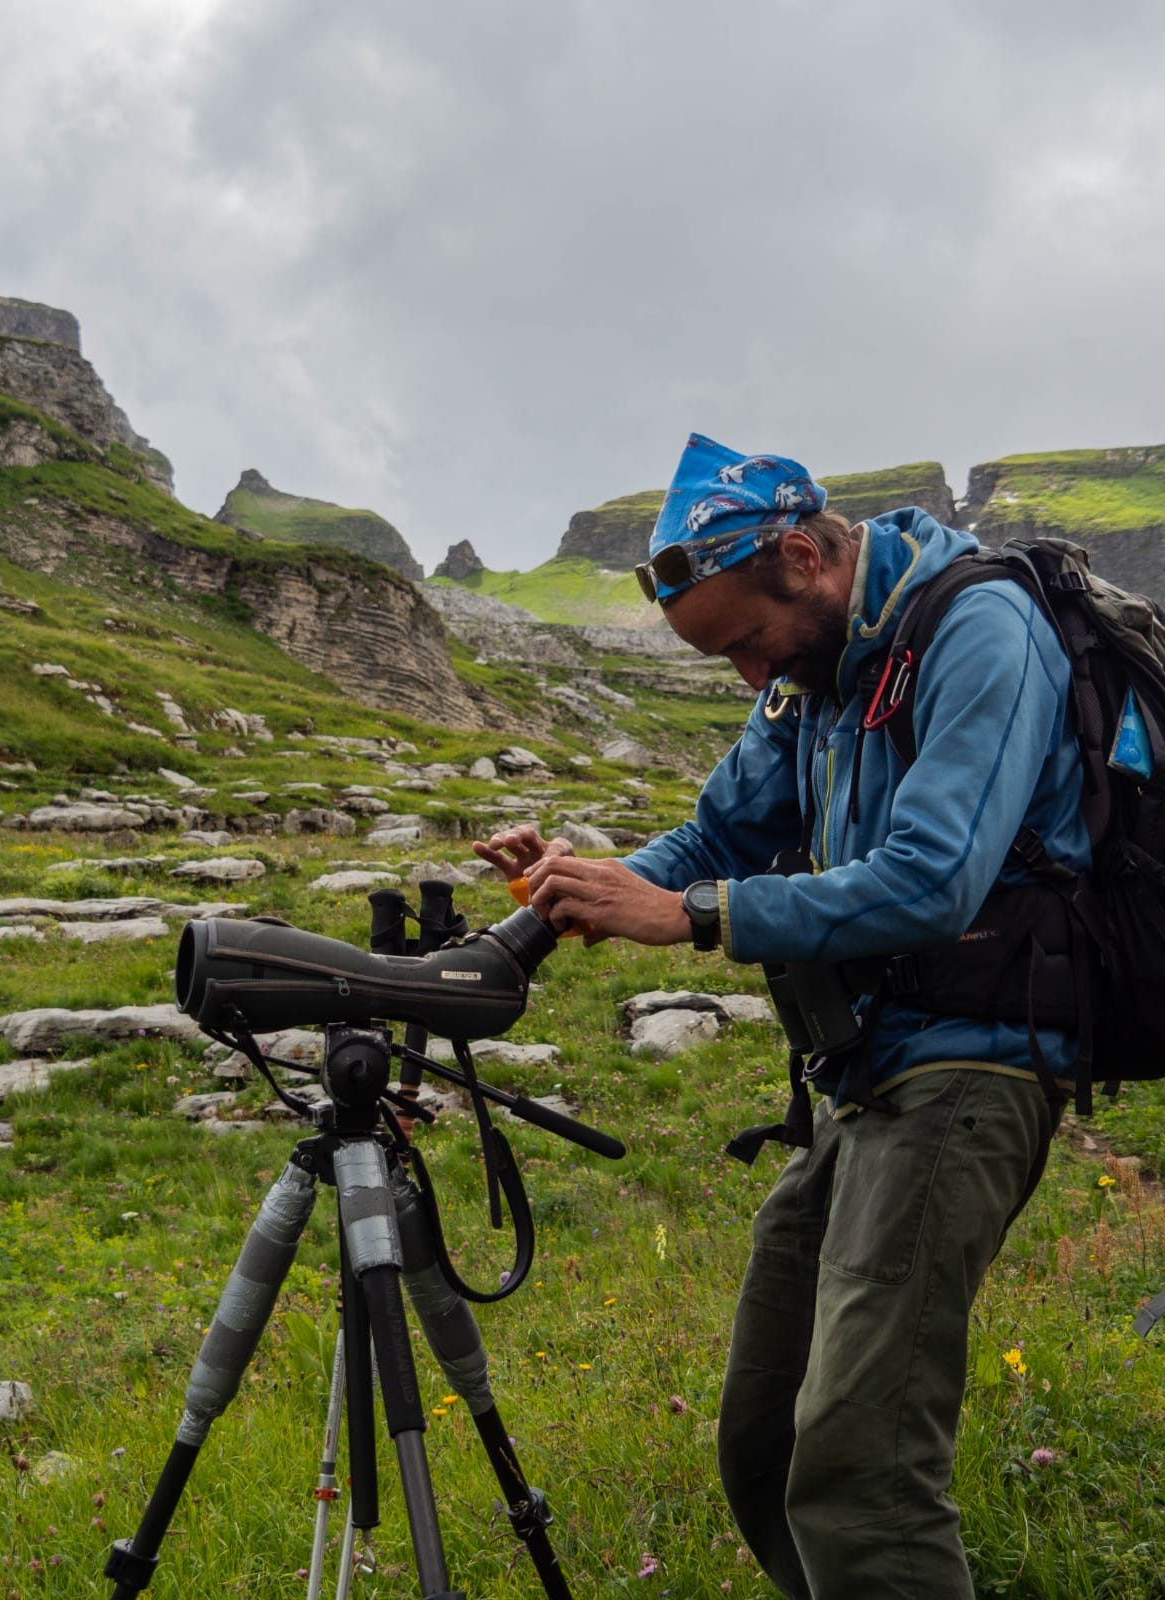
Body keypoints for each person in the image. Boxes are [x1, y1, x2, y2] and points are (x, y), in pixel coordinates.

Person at [473, 432, 1089, 1600]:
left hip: (974, 1068)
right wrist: (567, 897)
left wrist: (690, 916)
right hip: (861, 1078)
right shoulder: (812, 669)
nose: (750, 679)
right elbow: (712, 839)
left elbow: (933, 877)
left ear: (802, 557)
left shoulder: (978, 628)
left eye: (746, 643)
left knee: (861, 1468)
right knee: (763, 1443)